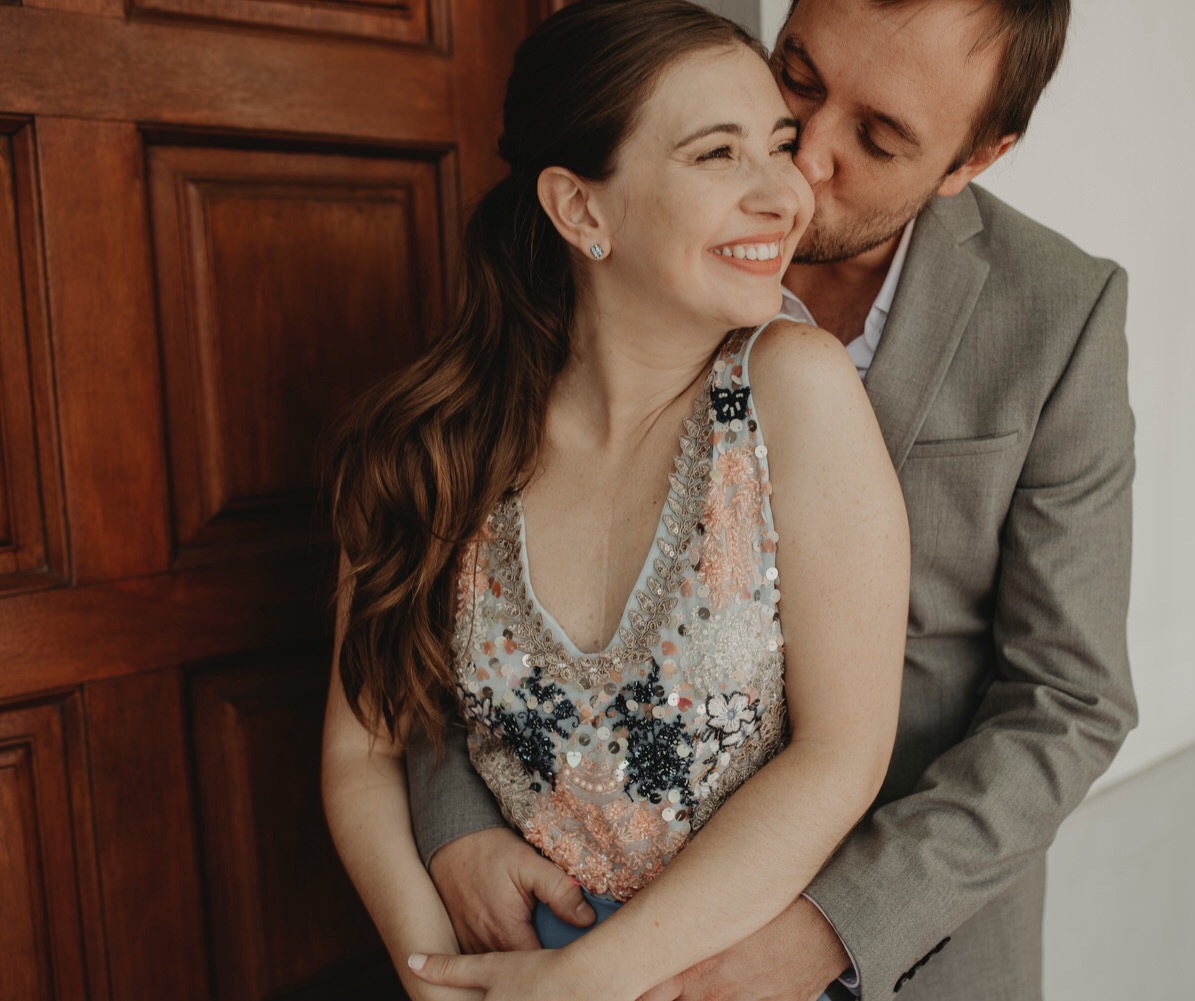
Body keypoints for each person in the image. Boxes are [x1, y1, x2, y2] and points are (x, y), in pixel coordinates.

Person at [406, 0, 1138, 999]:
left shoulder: (1058, 312)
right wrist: (454, 826)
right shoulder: (619, 246)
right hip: (565, 925)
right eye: (799, 78)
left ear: (975, 158)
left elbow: (1070, 700)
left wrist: (834, 927)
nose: (806, 162)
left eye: (878, 138)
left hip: (902, 955)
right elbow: (466, 587)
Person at [320, 2, 910, 999]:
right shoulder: (430, 443)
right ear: (580, 209)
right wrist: (431, 970)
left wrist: (590, 980)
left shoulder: (796, 390)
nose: (785, 193)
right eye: (718, 153)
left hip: (716, 978)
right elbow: (359, 750)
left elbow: (842, 754)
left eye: (777, 144)